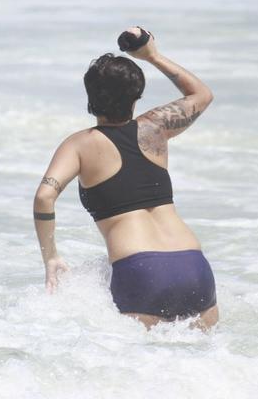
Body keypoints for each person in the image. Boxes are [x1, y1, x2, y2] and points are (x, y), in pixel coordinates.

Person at [32, 27, 218, 329]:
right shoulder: (156, 128)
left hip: (141, 270)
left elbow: (44, 196)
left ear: (89, 94)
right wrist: (152, 56)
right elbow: (201, 94)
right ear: (137, 95)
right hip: (193, 267)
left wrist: (50, 257)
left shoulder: (79, 144)